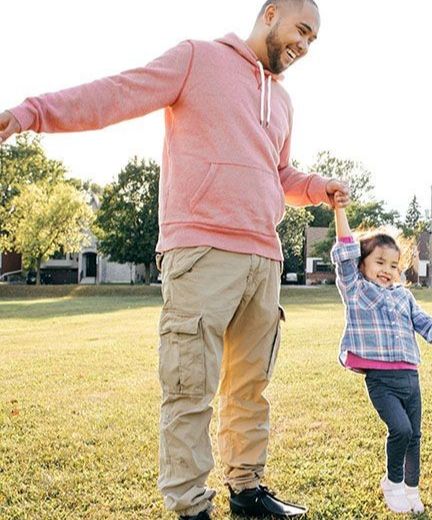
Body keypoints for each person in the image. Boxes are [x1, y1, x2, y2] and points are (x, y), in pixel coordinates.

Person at [0, 1, 348, 518]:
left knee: (251, 387)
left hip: (264, 258)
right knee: (191, 386)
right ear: (270, 14)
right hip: (203, 252)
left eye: (313, 40)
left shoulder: (284, 101)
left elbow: (277, 173)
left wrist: (317, 187)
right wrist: (31, 113)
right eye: (301, 30)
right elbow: (116, 94)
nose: (304, 45)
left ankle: (247, 489)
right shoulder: (196, 59)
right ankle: (190, 506)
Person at [330, 202, 432, 514]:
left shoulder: (404, 296)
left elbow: (425, 323)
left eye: (393, 265)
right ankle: (393, 482)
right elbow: (345, 252)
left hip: (410, 377)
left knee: (414, 435)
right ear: (362, 265)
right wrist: (338, 209)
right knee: (400, 430)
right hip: (381, 380)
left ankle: (411, 491)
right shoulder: (356, 289)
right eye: (379, 262)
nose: (387, 270)